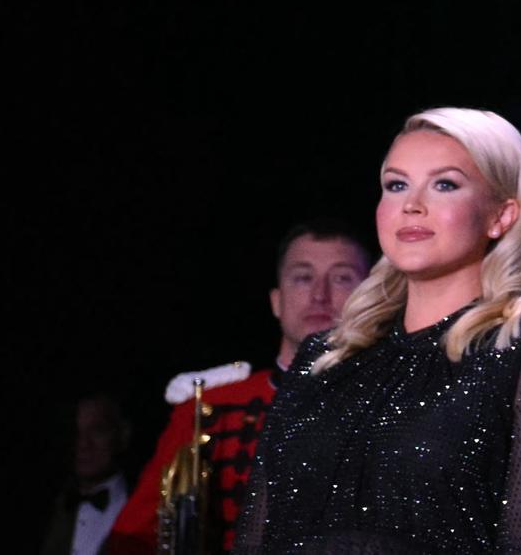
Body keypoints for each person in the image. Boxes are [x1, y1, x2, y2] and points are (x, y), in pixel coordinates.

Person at [233, 108, 521, 555]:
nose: (411, 204)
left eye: (444, 184)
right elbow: (255, 536)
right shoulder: (322, 357)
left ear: (501, 215)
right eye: (396, 185)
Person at [107, 221, 372, 555]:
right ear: (276, 301)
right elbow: (132, 538)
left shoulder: (395, 406)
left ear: (370, 298)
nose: (320, 295)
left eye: (342, 278)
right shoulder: (209, 407)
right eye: (303, 277)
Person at [41, 392, 130, 555]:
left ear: (122, 434)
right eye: (76, 432)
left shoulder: (145, 506)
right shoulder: (50, 505)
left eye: (97, 431)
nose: (83, 444)